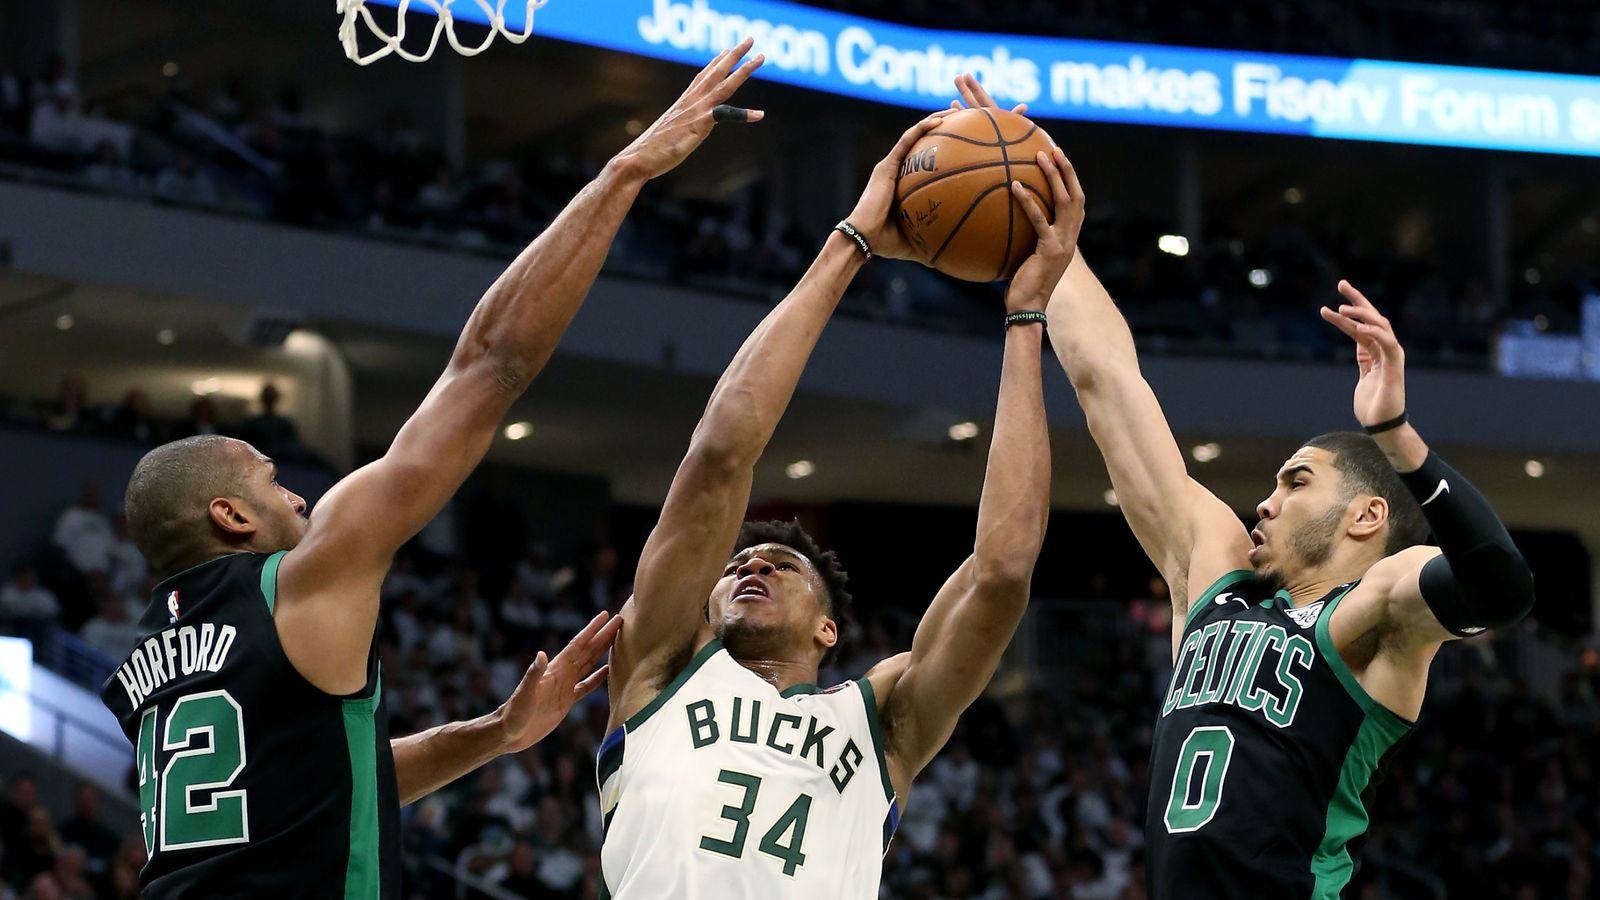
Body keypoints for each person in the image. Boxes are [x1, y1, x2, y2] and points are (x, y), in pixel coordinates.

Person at [96, 43, 763, 899]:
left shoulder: (153, 656)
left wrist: (496, 731)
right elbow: (490, 365)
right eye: (271, 479)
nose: (297, 493)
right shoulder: (299, 580)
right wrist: (625, 173)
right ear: (230, 516)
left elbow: (331, 790)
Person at [942, 67, 1535, 899]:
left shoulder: (1376, 610)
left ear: (1367, 514)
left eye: (1296, 481)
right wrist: (1035, 214)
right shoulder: (1213, 571)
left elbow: (1502, 587)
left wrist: (1396, 436)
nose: (1265, 498)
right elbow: (1111, 380)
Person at [595, 106, 1084, 896]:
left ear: (830, 627)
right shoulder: (660, 666)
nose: (750, 561)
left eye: (782, 564)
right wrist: (849, 241)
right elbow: (721, 453)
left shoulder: (882, 717)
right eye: (738, 564)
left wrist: (1026, 316)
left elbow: (1003, 571)